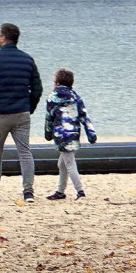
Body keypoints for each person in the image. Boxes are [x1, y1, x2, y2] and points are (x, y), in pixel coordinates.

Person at [0, 23, 43, 202]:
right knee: (25, 152)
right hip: (21, 112)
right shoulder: (27, 60)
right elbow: (37, 88)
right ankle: (28, 191)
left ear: (4, 37)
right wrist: (30, 107)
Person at [43, 68, 97, 200]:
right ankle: (60, 191)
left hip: (61, 136)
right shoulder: (76, 97)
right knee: (62, 164)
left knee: (70, 164)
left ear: (57, 83)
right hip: (73, 135)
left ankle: (80, 192)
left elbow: (49, 118)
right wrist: (91, 133)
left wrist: (48, 134)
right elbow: (84, 116)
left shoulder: (52, 97)